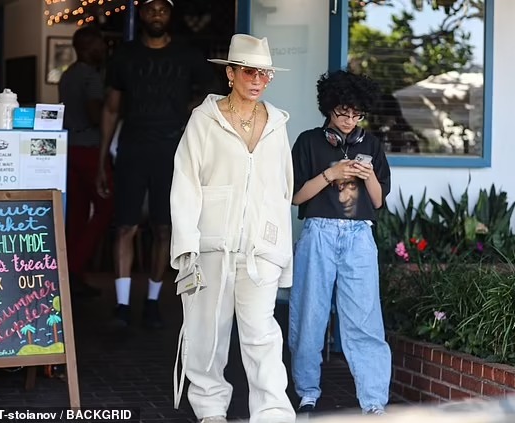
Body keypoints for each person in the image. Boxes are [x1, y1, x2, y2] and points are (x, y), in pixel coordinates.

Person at [170, 34, 295, 423]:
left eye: (265, 73)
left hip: (260, 249)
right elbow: (185, 183)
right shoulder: (203, 120)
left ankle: (273, 412)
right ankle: (209, 408)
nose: (258, 79)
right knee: (207, 334)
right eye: (249, 71)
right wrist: (187, 244)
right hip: (210, 246)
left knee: (263, 334)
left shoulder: (276, 123)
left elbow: (282, 188)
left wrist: (279, 250)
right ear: (230, 73)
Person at [96, 0, 217, 328]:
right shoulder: (125, 55)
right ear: (142, 13)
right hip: (132, 147)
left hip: (173, 151)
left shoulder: (187, 54)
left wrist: (186, 115)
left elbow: (212, 95)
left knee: (164, 227)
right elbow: (110, 109)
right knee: (125, 226)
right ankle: (122, 305)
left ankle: (152, 301)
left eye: (163, 9)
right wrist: (101, 160)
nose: (157, 15)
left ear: (170, 13)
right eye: (151, 9)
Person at [289, 70, 392, 415]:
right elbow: (295, 196)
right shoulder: (308, 141)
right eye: (342, 112)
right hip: (318, 231)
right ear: (328, 107)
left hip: (359, 235)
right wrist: (329, 175)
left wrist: (370, 176)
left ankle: (374, 401)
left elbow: (377, 201)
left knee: (365, 320)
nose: (349, 120)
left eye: (356, 113)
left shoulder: (372, 145)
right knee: (309, 316)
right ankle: (306, 392)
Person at [59, 26, 112, 298]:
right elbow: (95, 115)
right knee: (106, 208)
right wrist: (112, 110)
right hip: (90, 149)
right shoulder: (91, 76)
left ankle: (73, 274)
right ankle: (74, 268)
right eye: (99, 45)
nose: (103, 49)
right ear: (86, 47)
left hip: (69, 149)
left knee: (76, 214)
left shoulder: (68, 75)